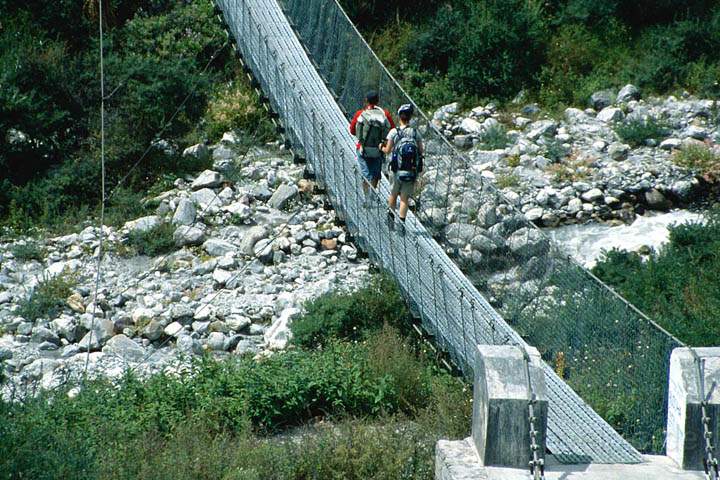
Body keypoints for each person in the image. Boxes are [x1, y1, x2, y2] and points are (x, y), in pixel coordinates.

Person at [381, 103, 423, 234]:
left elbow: (387, 151)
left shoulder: (394, 132)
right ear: (410, 117)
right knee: (405, 198)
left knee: (393, 194)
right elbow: (421, 151)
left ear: (399, 116)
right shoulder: (416, 133)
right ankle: (402, 226)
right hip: (410, 171)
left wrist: (380, 147)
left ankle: (390, 221)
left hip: (395, 170)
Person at [349, 91, 395, 204]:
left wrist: (363, 137)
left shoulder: (360, 113)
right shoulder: (385, 113)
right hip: (378, 149)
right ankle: (372, 193)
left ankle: (366, 198)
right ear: (378, 101)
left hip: (363, 148)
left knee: (366, 173)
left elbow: (352, 130)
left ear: (366, 100)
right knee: (375, 173)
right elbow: (392, 130)